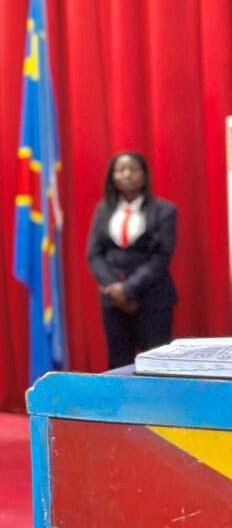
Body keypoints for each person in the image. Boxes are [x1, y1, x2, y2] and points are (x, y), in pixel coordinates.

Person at [87, 151, 178, 369]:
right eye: (120, 170)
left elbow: (162, 257)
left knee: (156, 367)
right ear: (112, 177)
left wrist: (127, 290)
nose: (127, 174)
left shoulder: (164, 210)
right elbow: (94, 254)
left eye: (133, 169)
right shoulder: (103, 210)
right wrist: (114, 289)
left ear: (144, 174)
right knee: (119, 365)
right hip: (113, 302)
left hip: (153, 299)